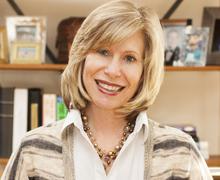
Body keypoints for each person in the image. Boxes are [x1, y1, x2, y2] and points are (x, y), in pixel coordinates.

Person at [2, 1, 213, 179]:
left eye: (129, 58)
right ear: (82, 57)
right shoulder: (33, 150)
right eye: (103, 51)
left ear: (144, 71)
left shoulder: (180, 153)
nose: (113, 71)